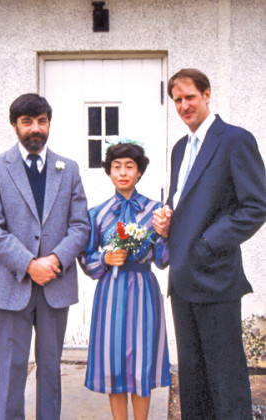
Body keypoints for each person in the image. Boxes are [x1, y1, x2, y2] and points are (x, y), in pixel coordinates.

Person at [153, 68, 266, 419]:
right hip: (183, 281)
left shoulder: (234, 140)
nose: (184, 105)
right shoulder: (179, 149)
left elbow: (257, 205)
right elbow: (186, 202)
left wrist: (207, 242)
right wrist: (167, 221)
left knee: (225, 378)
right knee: (193, 378)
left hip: (216, 278)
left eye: (189, 97)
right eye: (177, 100)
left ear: (206, 95)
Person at [0, 93, 90, 420]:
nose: (35, 128)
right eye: (27, 122)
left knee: (51, 370)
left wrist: (53, 261)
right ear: (15, 125)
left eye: (41, 121)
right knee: (12, 372)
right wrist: (29, 264)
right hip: (11, 285)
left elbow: (81, 225)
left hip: (55, 285)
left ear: (49, 123)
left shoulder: (67, 169)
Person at [78, 141, 171, 420]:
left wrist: (164, 233)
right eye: (116, 166)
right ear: (108, 172)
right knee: (113, 360)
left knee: (141, 361)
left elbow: (164, 260)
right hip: (111, 293)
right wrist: (105, 260)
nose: (122, 172)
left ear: (139, 172)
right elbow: (85, 257)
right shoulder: (97, 214)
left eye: (129, 166)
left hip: (144, 291)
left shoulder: (156, 211)